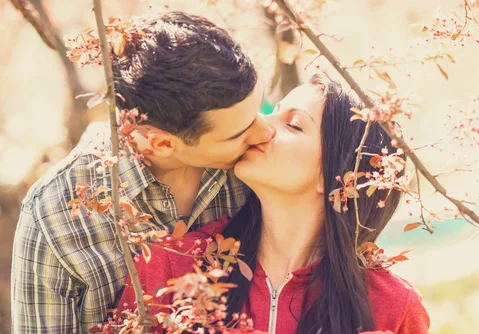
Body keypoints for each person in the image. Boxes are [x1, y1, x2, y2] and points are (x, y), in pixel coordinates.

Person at [11, 11, 275, 333]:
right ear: (162, 144)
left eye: (261, 109)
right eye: (239, 133)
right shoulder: (53, 218)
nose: (266, 133)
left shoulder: (261, 166)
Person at [118, 74, 430, 333]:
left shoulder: (391, 307)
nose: (262, 126)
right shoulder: (173, 265)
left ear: (340, 179)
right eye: (272, 112)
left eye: (293, 125)